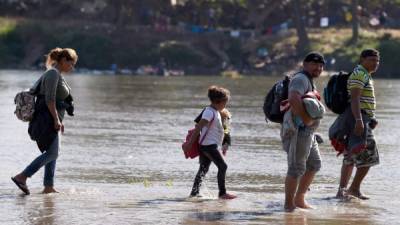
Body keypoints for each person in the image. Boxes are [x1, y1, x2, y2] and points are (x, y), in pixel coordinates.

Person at [11, 47, 78, 195]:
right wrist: (55, 119)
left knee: (51, 152)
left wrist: (60, 119)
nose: (72, 67)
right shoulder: (53, 74)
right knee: (53, 153)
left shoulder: (56, 74)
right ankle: (22, 176)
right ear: (63, 60)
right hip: (47, 119)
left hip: (53, 118)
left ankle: (48, 186)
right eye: (71, 63)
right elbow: (50, 99)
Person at [282, 52, 325, 212]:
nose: (318, 68)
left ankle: (299, 199)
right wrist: (307, 119)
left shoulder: (309, 81)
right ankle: (288, 205)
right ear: (305, 64)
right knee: (296, 168)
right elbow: (294, 99)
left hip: (308, 133)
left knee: (314, 164)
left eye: (321, 66)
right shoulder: (300, 79)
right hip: (298, 131)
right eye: (314, 64)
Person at [335, 49, 380, 200]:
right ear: (362, 59)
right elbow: (354, 99)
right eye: (372, 60)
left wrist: (371, 118)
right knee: (369, 157)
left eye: (377, 61)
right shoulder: (360, 74)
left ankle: (342, 191)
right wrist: (360, 121)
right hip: (358, 120)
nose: (375, 63)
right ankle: (353, 189)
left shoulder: (365, 74)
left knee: (351, 156)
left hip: (361, 118)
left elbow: (361, 101)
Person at [183, 86, 236, 200]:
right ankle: (222, 193)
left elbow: (223, 129)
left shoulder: (215, 111)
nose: (225, 105)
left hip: (207, 146)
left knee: (203, 169)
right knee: (223, 166)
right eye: (225, 102)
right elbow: (198, 128)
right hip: (208, 146)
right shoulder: (209, 112)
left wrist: (225, 142)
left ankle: (194, 193)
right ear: (219, 101)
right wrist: (189, 144)